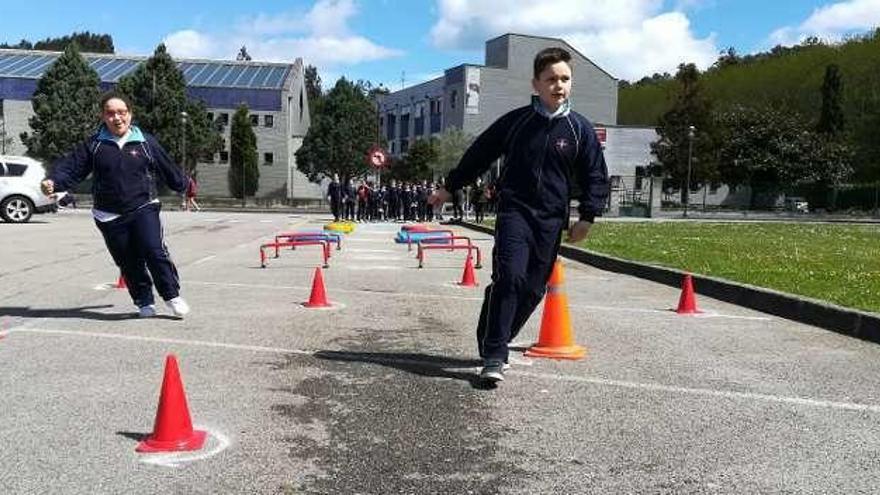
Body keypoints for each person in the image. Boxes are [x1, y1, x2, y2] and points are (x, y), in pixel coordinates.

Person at [428, 47, 609, 383]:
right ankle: (495, 355)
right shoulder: (517, 122)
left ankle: (493, 332)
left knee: (531, 289)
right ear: (536, 84)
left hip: (552, 219)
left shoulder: (580, 130)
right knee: (510, 278)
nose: (559, 85)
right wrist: (450, 187)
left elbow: (595, 175)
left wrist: (587, 216)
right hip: (515, 212)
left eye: (565, 79)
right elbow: (478, 155)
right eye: (551, 79)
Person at [40, 91, 192, 319]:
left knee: (154, 250)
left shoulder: (145, 142)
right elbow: (72, 168)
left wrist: (186, 185)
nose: (117, 118)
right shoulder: (95, 145)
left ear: (130, 114)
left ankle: (171, 295)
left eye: (121, 112)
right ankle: (143, 301)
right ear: (103, 116)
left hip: (144, 206)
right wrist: (53, 181)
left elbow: (167, 167)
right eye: (110, 113)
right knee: (128, 261)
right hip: (108, 214)